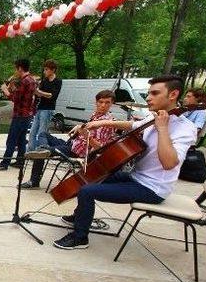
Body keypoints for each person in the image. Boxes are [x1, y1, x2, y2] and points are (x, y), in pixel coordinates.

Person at [53, 75, 197, 250]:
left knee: (87, 191)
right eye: (148, 93)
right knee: (91, 176)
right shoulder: (154, 117)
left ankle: (80, 237)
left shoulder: (185, 127)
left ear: (173, 94)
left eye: (154, 93)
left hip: (152, 188)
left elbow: (169, 163)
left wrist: (162, 129)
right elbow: (131, 125)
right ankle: (80, 216)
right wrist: (100, 123)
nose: (148, 97)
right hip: (136, 177)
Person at [21, 90, 118, 189]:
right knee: (43, 134)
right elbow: (85, 129)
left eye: (107, 103)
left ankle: (34, 180)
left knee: (40, 151)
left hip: (76, 152)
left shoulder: (108, 123)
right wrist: (79, 127)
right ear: (96, 102)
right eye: (100, 102)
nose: (103, 105)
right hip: (72, 144)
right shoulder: (96, 115)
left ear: (112, 104)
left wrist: (84, 135)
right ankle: (44, 148)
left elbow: (99, 148)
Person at [0, 58, 37, 170]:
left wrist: (5, 90)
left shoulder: (24, 81)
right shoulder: (31, 80)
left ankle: (4, 164)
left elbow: (15, 99)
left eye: (16, 68)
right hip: (27, 115)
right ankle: (20, 161)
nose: (15, 71)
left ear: (20, 68)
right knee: (21, 140)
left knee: (11, 140)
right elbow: (21, 95)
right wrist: (12, 88)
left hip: (20, 115)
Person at [28, 59, 62, 151]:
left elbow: (52, 95)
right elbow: (39, 93)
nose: (44, 72)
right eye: (44, 69)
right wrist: (35, 90)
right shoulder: (44, 80)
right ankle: (30, 151)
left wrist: (39, 92)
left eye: (46, 69)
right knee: (32, 132)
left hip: (48, 109)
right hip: (40, 108)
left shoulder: (57, 81)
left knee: (41, 132)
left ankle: (39, 152)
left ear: (53, 70)